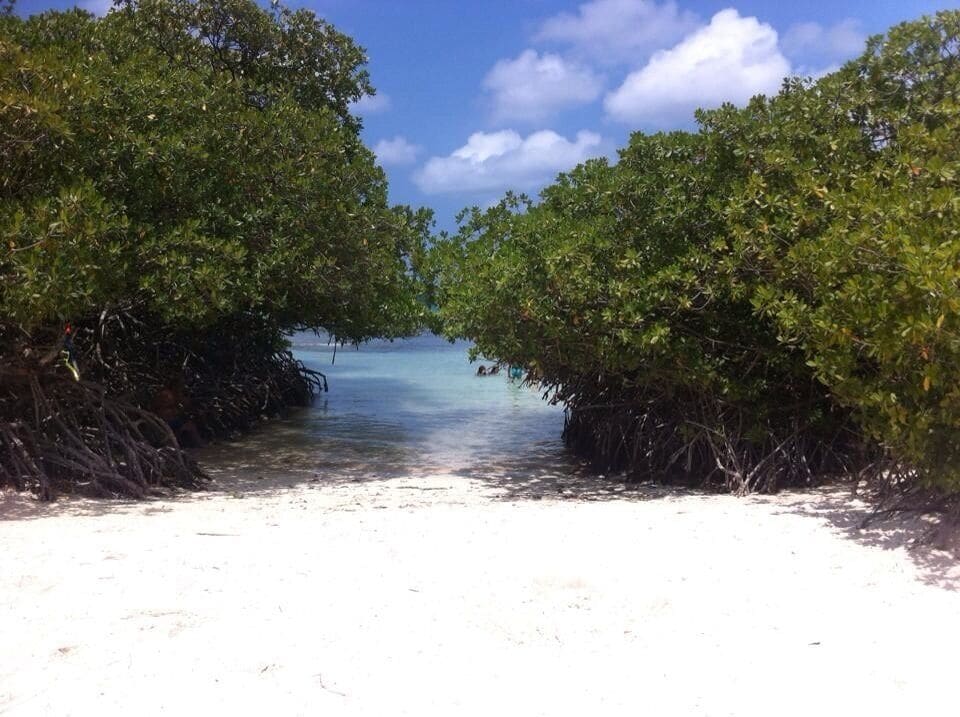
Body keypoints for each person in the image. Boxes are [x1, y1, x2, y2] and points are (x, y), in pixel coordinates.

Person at [152, 374, 204, 447]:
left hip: (172, 421)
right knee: (190, 426)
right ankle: (201, 446)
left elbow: (185, 403)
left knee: (190, 425)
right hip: (165, 422)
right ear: (175, 385)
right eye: (181, 385)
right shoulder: (167, 394)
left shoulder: (175, 393)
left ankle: (198, 445)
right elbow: (165, 408)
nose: (182, 387)